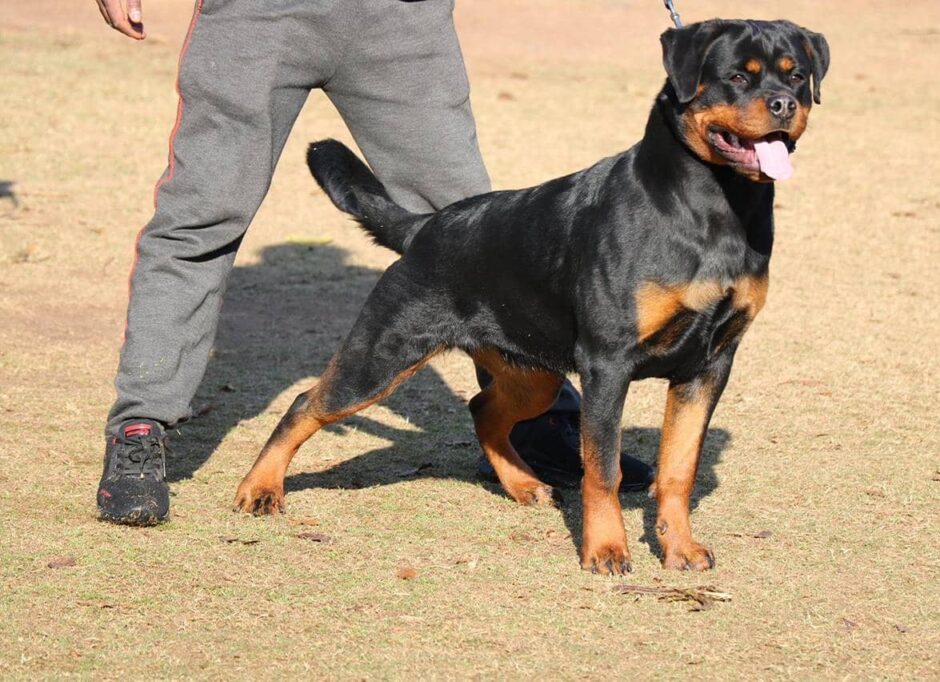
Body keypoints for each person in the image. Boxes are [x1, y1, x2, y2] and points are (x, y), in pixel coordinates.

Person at [94, 0, 654, 525]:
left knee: (471, 227)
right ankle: (140, 424)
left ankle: (531, 418)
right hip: (255, 15)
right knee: (199, 217)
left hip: (399, 19)